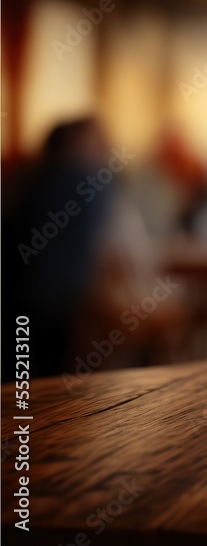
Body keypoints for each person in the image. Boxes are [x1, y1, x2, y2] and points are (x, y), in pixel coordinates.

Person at [4, 119, 117, 377]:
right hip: (64, 299)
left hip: (20, 296)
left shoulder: (27, 179)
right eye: (96, 142)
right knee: (53, 378)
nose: (103, 149)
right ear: (73, 143)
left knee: (24, 376)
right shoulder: (89, 182)